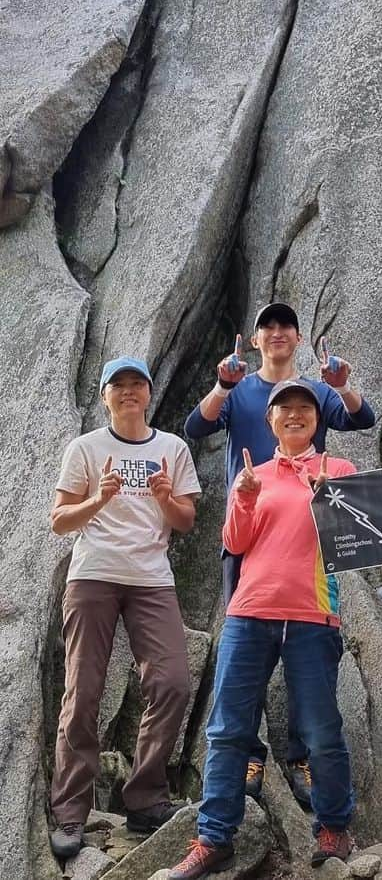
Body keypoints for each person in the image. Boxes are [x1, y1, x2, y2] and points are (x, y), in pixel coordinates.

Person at [184, 301, 375, 802]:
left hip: (306, 533)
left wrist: (340, 384)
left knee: (307, 651)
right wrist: (222, 384)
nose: (277, 333)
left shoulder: (312, 392)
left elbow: (361, 419)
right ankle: (248, 753)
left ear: (298, 336)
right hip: (248, 523)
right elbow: (195, 428)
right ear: (254, 338)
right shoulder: (242, 389)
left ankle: (301, 758)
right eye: (267, 326)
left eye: (285, 326)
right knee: (243, 645)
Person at [168, 380, 357, 879]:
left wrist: (330, 501)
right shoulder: (253, 474)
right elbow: (235, 540)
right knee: (228, 728)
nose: (294, 415)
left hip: (314, 614)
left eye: (304, 409)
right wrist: (245, 497)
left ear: (317, 420)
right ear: (270, 421)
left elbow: (356, 541)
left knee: (320, 730)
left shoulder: (338, 471)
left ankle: (334, 826)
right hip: (249, 612)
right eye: (284, 409)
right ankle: (213, 838)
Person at [49, 357, 200, 861]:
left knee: (173, 681)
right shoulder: (85, 448)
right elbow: (59, 520)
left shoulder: (172, 448)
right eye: (120, 384)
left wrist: (162, 496)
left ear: (150, 393)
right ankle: (71, 811)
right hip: (92, 576)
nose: (130, 391)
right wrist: (98, 500)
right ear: (105, 395)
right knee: (83, 690)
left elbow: (185, 520)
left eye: (138, 384)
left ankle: (145, 795)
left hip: (151, 580)